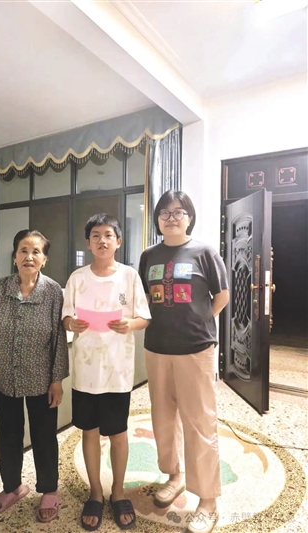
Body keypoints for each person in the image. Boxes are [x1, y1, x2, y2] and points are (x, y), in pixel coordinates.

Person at [138, 191, 229, 533]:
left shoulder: (205, 252)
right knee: (163, 418)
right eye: (165, 212)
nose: (171, 217)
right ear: (157, 219)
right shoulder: (148, 256)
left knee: (199, 423)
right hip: (157, 347)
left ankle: (207, 500)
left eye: (178, 212)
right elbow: (143, 299)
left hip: (195, 349)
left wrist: (199, 322)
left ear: (189, 217)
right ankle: (174, 475)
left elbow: (221, 296)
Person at [62, 214, 151, 531]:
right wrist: (71, 323)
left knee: (118, 432)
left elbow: (144, 317)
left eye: (108, 235)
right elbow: (65, 317)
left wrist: (130, 324)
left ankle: (118, 491)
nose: (102, 240)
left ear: (118, 241)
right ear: (88, 243)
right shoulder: (77, 278)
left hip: (118, 370)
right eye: (96, 235)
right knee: (89, 431)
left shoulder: (129, 276)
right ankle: (96, 493)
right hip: (86, 371)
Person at [0, 229, 69, 523]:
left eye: (36, 251)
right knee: (9, 433)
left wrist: (57, 379)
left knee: (44, 436)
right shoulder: (0, 287)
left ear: (44, 259)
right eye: (23, 251)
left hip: (41, 378)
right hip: (4, 376)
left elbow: (58, 338)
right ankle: (12, 487)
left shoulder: (53, 292)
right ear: (15, 257)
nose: (29, 256)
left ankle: (49, 490)